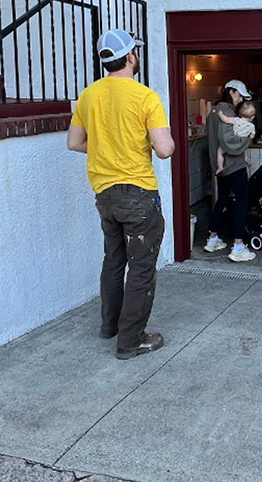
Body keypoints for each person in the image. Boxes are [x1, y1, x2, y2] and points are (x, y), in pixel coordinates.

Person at [67, 29, 175, 360]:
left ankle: (109, 325)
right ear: (130, 57)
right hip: (139, 195)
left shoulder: (89, 96)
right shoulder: (145, 97)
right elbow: (165, 149)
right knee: (141, 268)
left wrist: (105, 149)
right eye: (135, 53)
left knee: (113, 261)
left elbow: (74, 142)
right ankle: (131, 340)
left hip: (105, 194)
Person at [204, 80, 256, 262]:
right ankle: (239, 246)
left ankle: (213, 239)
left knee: (222, 200)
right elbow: (230, 142)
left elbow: (211, 139)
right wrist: (247, 142)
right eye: (239, 95)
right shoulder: (226, 111)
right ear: (231, 91)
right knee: (242, 202)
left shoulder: (212, 112)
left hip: (220, 167)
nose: (240, 99)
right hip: (234, 165)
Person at [216, 101, 257, 173]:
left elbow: (225, 119)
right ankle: (246, 161)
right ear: (253, 117)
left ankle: (220, 167)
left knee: (219, 151)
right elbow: (252, 136)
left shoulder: (236, 120)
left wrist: (220, 114)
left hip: (233, 142)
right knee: (245, 149)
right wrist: (247, 136)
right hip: (242, 144)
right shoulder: (252, 126)